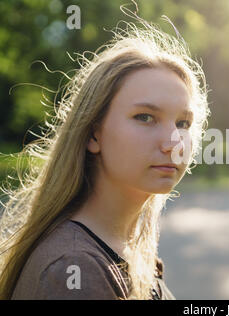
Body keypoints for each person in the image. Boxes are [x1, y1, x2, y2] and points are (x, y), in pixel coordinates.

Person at [0, 11, 210, 300]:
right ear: (93, 134)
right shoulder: (72, 271)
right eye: (145, 117)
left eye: (183, 123)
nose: (173, 143)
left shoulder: (125, 247)